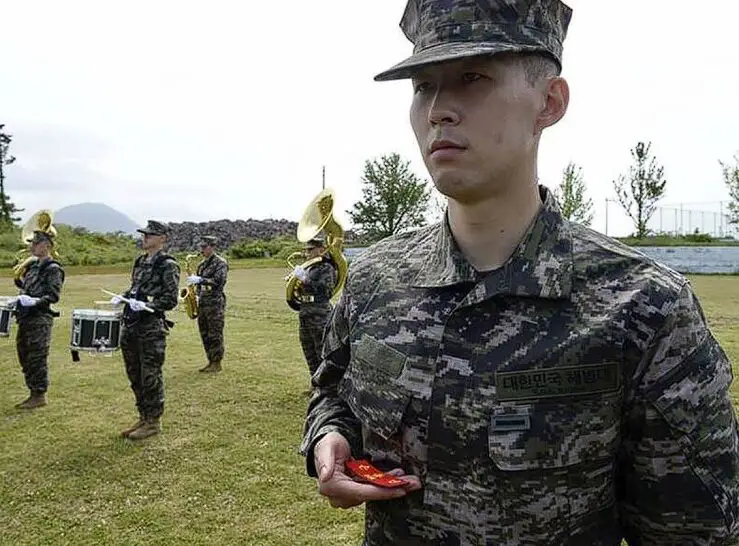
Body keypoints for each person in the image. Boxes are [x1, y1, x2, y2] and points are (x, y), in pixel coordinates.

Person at [300, 0, 739, 544]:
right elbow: (333, 394)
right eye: (422, 87)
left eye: (472, 77)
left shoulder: (643, 306)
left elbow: (693, 531)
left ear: (548, 103)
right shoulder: (373, 281)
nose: (438, 109)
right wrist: (329, 439)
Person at [112, 220, 180, 440]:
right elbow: (135, 289)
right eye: (144, 235)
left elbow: (170, 299)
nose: (145, 238)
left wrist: (148, 305)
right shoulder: (140, 261)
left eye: (150, 235)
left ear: (162, 239)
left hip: (151, 327)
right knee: (134, 373)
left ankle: (153, 421)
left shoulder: (167, 264)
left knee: (150, 375)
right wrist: (123, 297)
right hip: (132, 324)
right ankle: (142, 416)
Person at [12, 229, 65, 409]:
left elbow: (53, 295)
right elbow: (27, 286)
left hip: (40, 319)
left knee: (37, 357)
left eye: (35, 243)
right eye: (32, 243)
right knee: (24, 355)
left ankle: (38, 395)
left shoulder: (53, 268)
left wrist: (35, 301)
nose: (31, 247)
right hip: (25, 317)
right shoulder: (32, 266)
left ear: (47, 246)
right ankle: (32, 391)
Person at [292, 237, 338, 382]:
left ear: (321, 249)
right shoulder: (310, 267)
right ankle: (315, 383)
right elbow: (303, 291)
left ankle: (326, 387)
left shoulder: (327, 268)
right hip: (305, 312)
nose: (307, 253)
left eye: (310, 250)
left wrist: (305, 280)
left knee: (321, 352)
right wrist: (294, 282)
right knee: (309, 350)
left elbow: (326, 292)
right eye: (306, 250)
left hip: (319, 314)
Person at [186, 235, 229, 373]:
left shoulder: (220, 263)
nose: (202, 249)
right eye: (201, 247)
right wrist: (196, 295)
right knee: (204, 331)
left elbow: (219, 281)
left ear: (212, 247)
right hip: (203, 301)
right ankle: (210, 360)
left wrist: (200, 280)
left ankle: (216, 362)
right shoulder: (202, 264)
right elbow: (198, 286)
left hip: (215, 301)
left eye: (204, 247)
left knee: (214, 333)